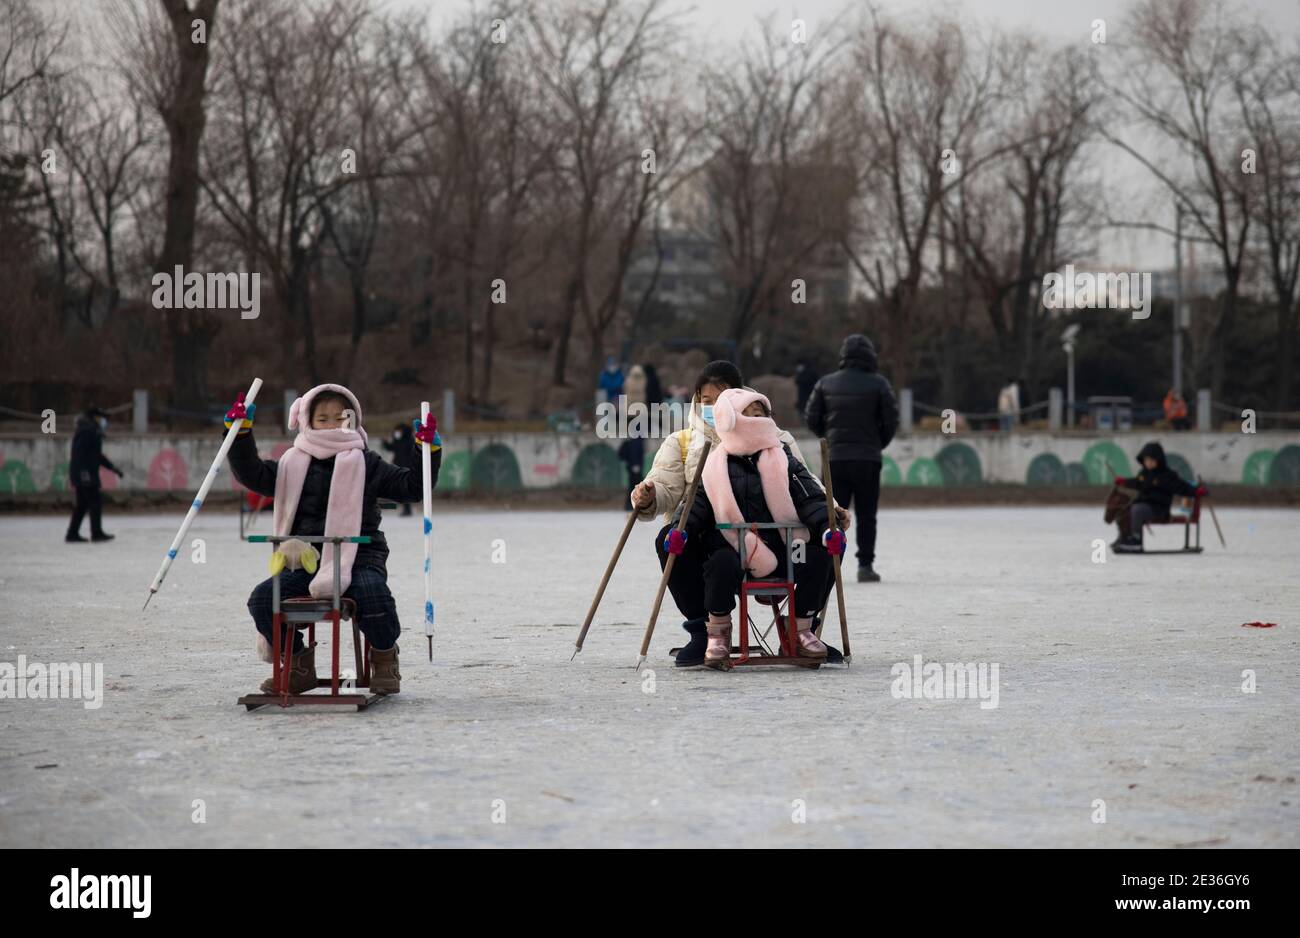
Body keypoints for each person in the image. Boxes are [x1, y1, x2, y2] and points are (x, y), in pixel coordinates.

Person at [226, 384, 441, 695]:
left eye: (341, 418)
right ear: (307, 420)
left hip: (358, 559)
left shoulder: (367, 462)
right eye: (323, 419)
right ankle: (298, 663)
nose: (332, 425)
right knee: (263, 600)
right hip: (303, 561)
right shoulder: (291, 462)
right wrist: (240, 436)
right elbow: (253, 475)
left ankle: (383, 655)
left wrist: (427, 452)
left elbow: (412, 487)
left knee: (373, 594)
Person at [630, 360, 847, 666]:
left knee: (828, 546)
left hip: (778, 537)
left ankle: (803, 627)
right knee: (672, 541)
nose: (715, 407)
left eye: (722, 399)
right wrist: (650, 496)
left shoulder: (777, 442)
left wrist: (831, 514)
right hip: (714, 539)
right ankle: (704, 630)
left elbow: (806, 488)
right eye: (706, 401)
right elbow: (677, 492)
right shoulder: (686, 444)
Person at [681, 389, 836, 668]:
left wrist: (827, 527)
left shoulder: (783, 458)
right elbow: (698, 505)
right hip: (735, 548)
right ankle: (718, 631)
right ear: (733, 420)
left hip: (783, 546)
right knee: (719, 564)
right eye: (749, 415)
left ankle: (801, 627)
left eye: (761, 415)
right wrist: (679, 529)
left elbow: (810, 497)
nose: (757, 420)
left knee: (819, 556)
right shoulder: (716, 464)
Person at [805, 334, 898, 583]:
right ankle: (865, 566)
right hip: (868, 459)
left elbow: (811, 418)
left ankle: (827, 564)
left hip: (833, 459)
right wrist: (877, 444)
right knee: (867, 514)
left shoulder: (825, 383)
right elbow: (891, 421)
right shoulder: (879, 384)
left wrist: (830, 439)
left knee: (830, 513)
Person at [1112, 441, 1205, 553]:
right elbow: (1137, 483)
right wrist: (1124, 481)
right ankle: (1125, 538)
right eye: (1146, 460)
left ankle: (1136, 541)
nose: (1148, 463)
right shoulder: (1144, 473)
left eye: (1151, 460)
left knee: (1137, 510)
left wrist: (1196, 491)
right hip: (1144, 505)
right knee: (1127, 509)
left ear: (1158, 460)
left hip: (1159, 509)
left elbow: (1181, 486)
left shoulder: (1167, 475)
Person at [66, 406, 123, 543]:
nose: (105, 422)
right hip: (85, 475)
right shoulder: (87, 431)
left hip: (84, 474)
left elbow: (97, 456)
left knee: (82, 505)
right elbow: (80, 455)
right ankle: (96, 533)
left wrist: (113, 468)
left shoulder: (91, 431)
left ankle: (72, 533)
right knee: (94, 502)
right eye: (103, 418)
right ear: (96, 418)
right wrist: (84, 475)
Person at [381, 422, 420, 515]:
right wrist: (385, 442)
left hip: (407, 468)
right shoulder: (398, 440)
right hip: (397, 467)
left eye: (398, 431)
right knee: (400, 489)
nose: (396, 433)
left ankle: (407, 509)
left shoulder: (410, 441)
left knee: (405, 489)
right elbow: (392, 448)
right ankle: (406, 508)